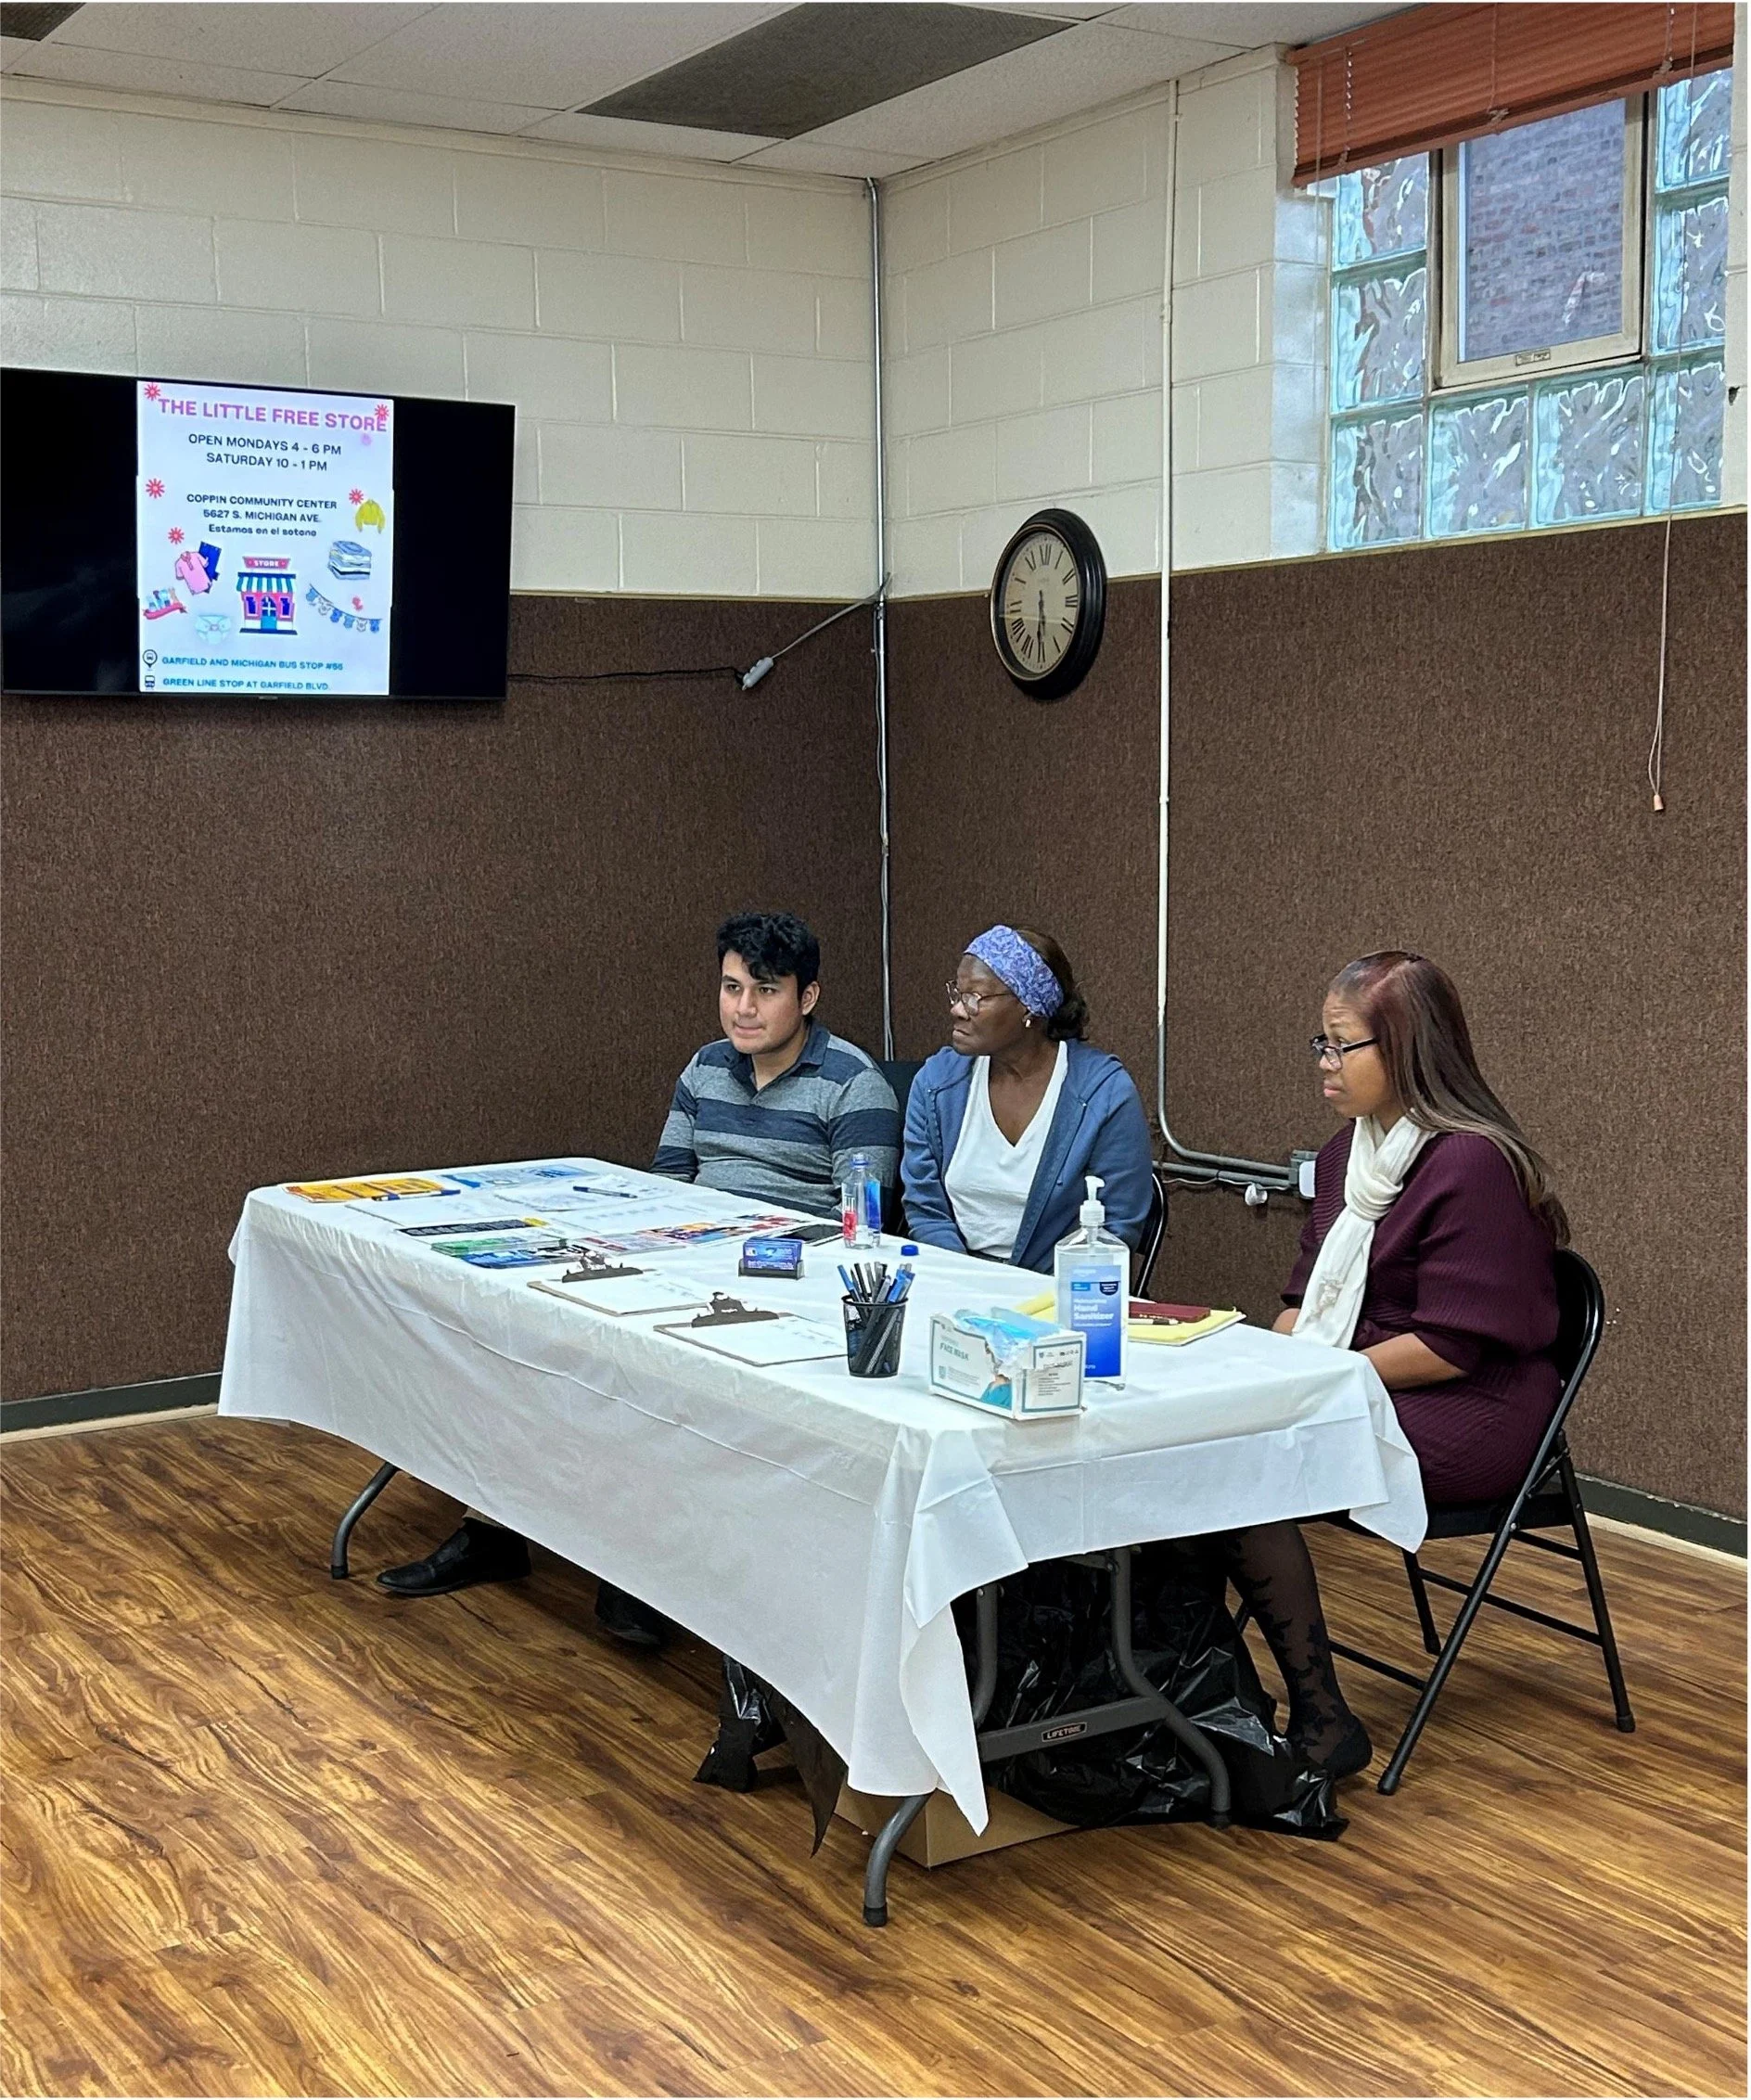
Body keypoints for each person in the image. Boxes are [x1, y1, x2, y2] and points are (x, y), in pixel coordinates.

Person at [377, 911, 900, 1645]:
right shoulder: (705, 1066)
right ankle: (494, 1524)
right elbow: (665, 1187)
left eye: (765, 991)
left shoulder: (852, 1083)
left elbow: (860, 1219)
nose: (743, 1008)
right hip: (684, 1260)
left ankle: (645, 1574)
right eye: (730, 987)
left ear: (808, 998)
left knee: (654, 1390)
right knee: (539, 1340)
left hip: (790, 1280)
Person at [1221, 951, 1569, 1779]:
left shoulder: (1471, 1163)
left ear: (1406, 1048)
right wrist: (1279, 1362)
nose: (1323, 1064)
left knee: (1244, 1462)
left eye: (1342, 1046)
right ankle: (1214, 1687)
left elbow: (1453, 1345)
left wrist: (1311, 1384)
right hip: (1369, 1377)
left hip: (1475, 1407)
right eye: (1320, 1042)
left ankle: (1321, 1717)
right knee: (1198, 1439)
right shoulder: (1350, 1154)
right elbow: (1304, 1297)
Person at [902, 925, 1154, 1274]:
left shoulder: (1104, 1093)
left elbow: (1117, 1227)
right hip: (952, 1283)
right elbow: (925, 1208)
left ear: (1029, 1007)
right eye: (957, 994)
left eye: (975, 997)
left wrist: (1026, 1296)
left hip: (1058, 1296)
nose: (958, 1010)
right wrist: (965, 1284)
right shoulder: (936, 1084)